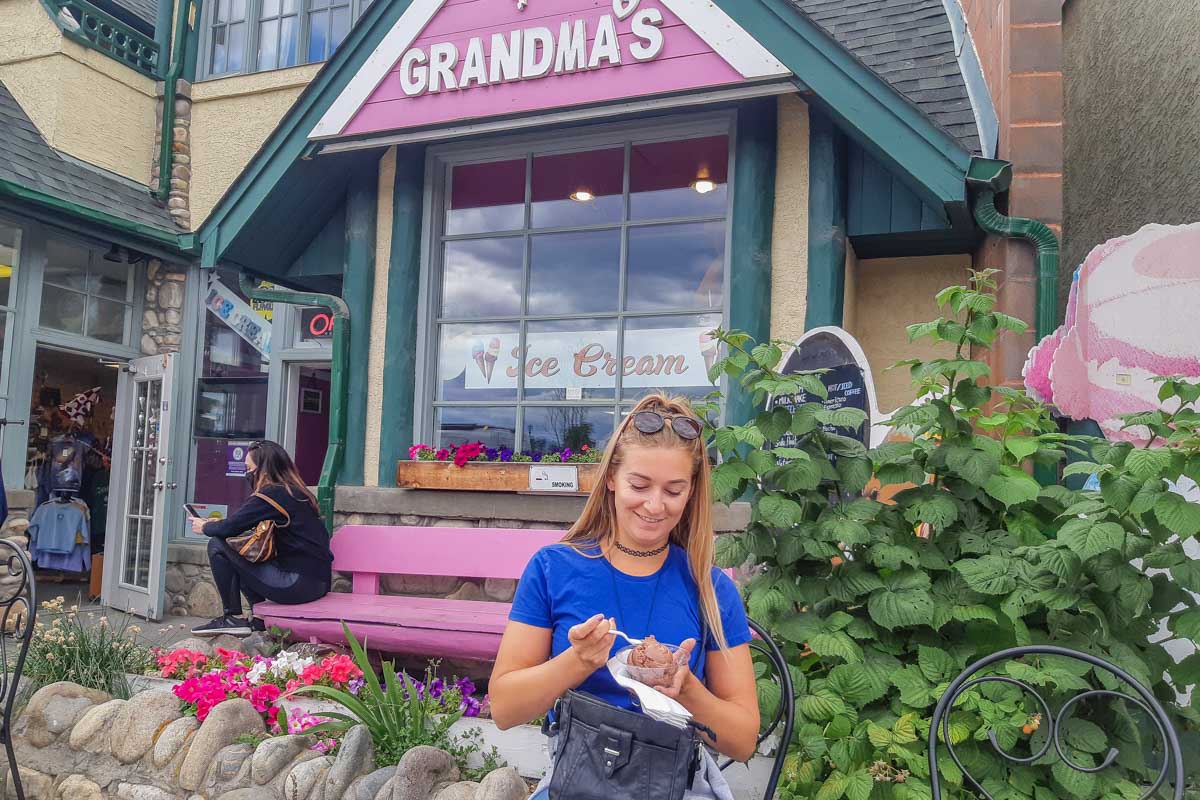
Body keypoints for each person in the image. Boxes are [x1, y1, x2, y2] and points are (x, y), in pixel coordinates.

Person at [489, 394, 759, 799]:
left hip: (674, 784)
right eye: (639, 485)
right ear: (612, 478)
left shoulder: (710, 588)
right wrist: (576, 661)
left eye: (673, 490)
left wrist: (687, 689)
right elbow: (505, 710)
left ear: (691, 493)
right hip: (577, 780)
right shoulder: (553, 568)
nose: (654, 505)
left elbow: (741, 740)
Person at [190, 441, 333, 636]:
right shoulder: (296, 493)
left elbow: (229, 528)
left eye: (249, 469)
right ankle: (259, 618)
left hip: (296, 584)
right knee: (240, 555)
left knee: (217, 545)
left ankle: (233, 618)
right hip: (318, 584)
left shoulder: (272, 494)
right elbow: (239, 524)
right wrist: (220, 524)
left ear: (263, 470)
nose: (247, 474)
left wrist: (205, 526)